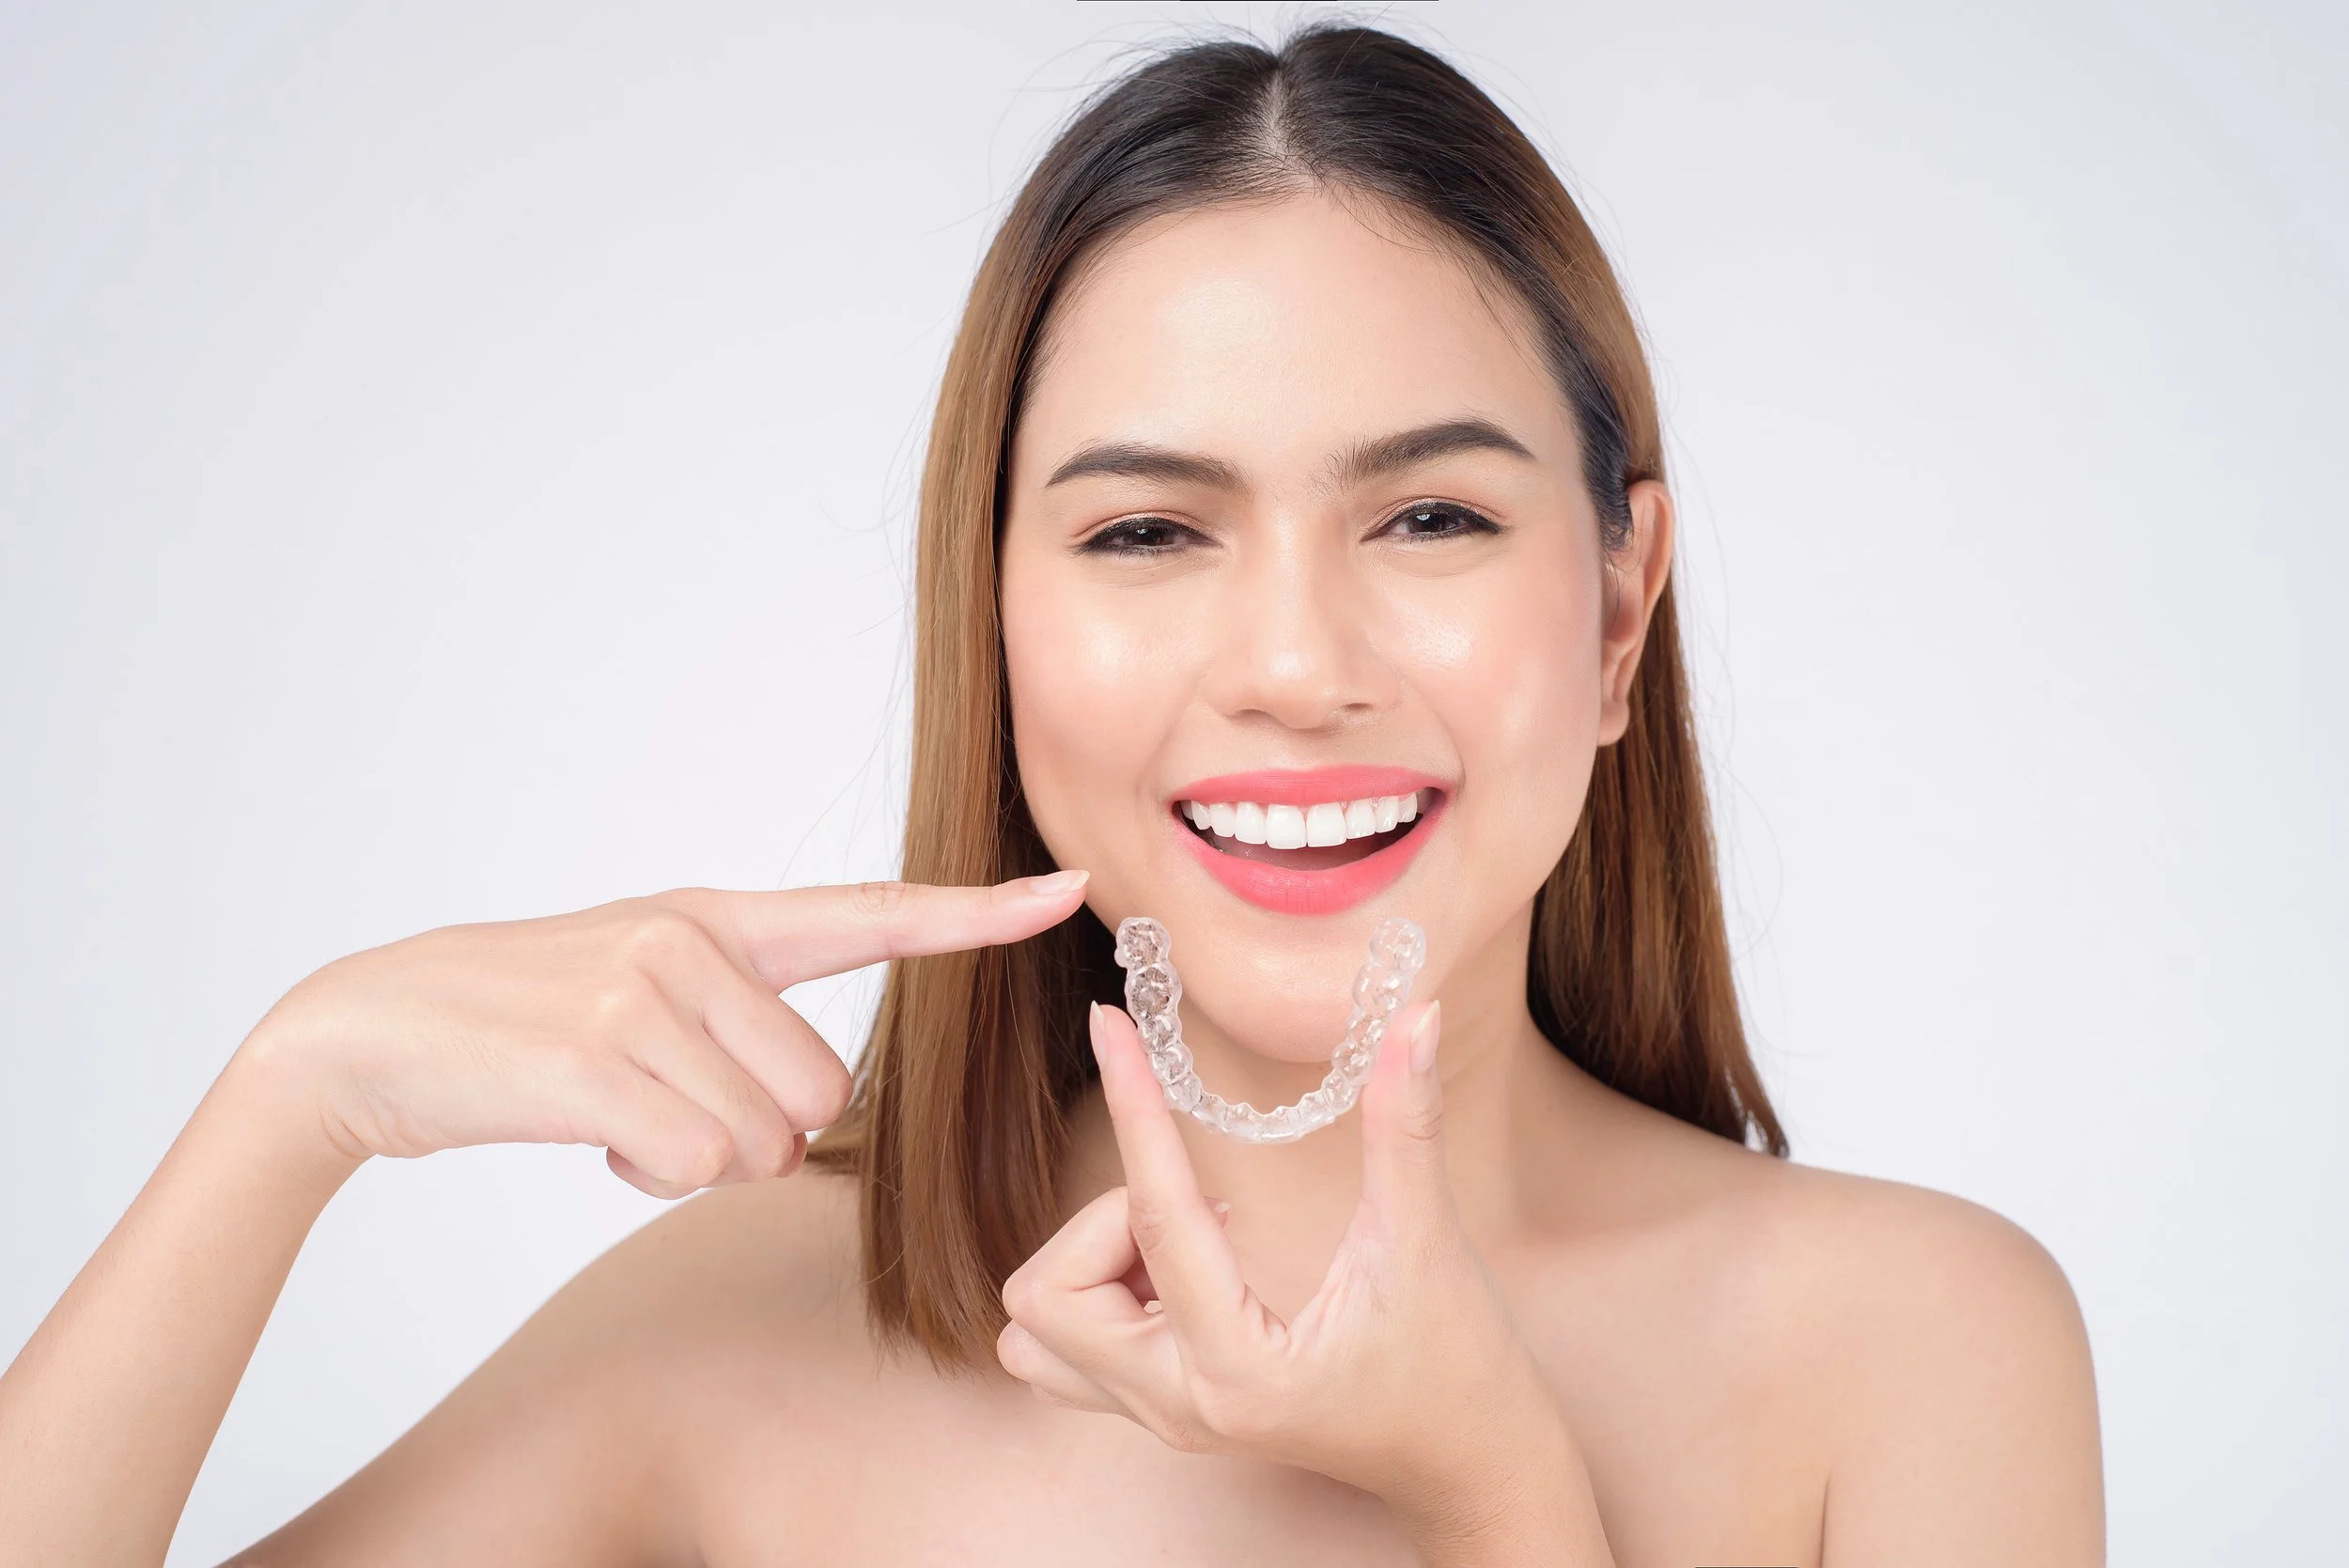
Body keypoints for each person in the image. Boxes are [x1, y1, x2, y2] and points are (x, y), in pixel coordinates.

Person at [0, 25, 2104, 1567]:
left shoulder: (1916, 1348)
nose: (1292, 665)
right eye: (1141, 536)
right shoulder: (735, 1323)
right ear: (989, 627)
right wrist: (298, 1097)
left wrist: (1492, 1492)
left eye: (1431, 517)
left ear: (1618, 614)